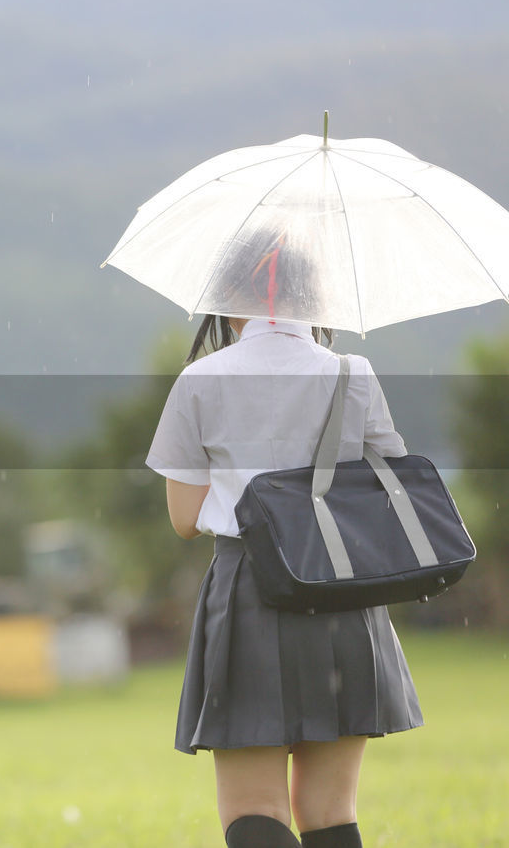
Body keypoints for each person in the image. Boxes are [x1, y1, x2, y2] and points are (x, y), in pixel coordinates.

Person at [145, 232, 423, 848]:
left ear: (226, 296)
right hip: (344, 591)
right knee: (330, 811)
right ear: (317, 296)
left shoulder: (201, 379)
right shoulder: (353, 374)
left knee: (253, 808)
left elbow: (186, 519)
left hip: (249, 591)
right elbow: (392, 484)